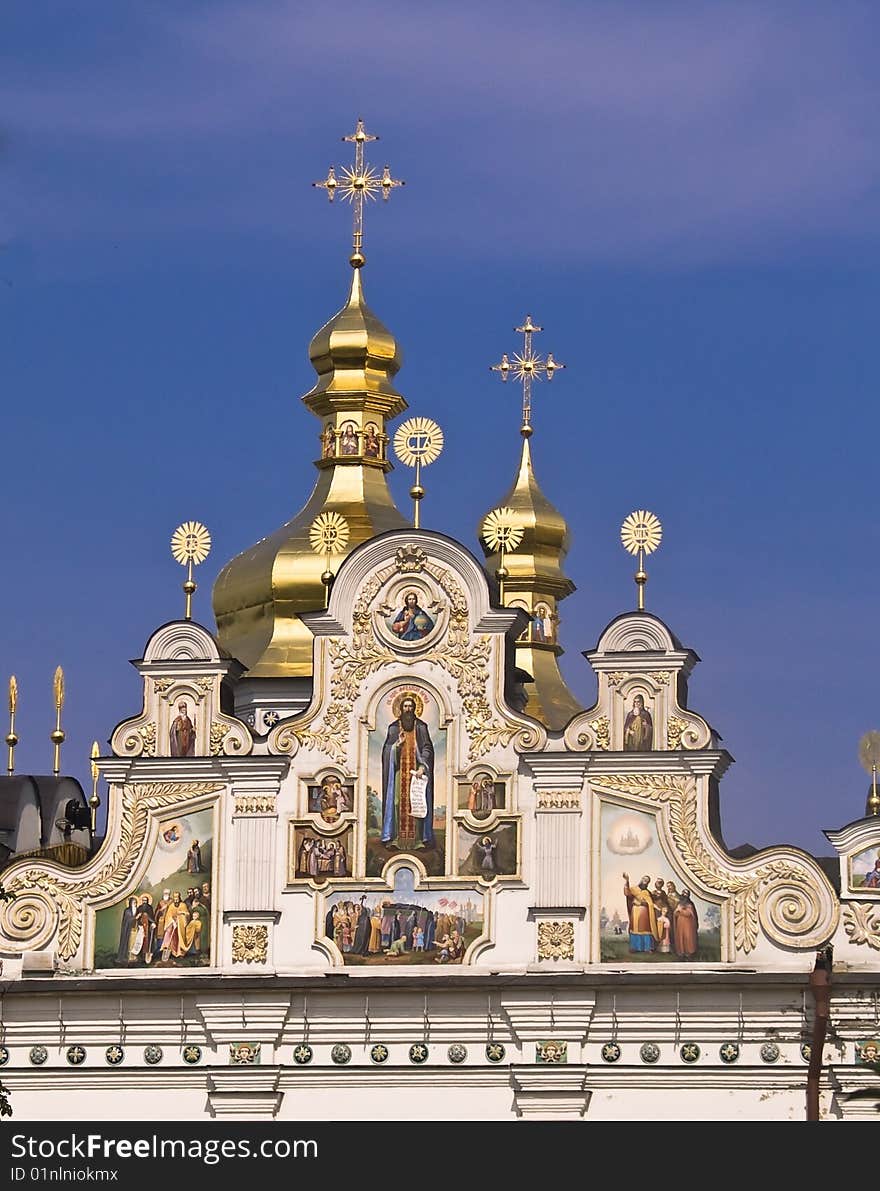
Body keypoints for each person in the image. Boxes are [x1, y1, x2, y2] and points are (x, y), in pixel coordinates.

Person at [381, 694, 435, 850]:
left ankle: (418, 840)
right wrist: (397, 744)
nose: (408, 709)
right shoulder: (393, 728)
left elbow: (427, 748)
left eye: (411, 706)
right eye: (405, 706)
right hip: (400, 773)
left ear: (415, 708)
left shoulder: (421, 727)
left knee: (416, 803)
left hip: (417, 774)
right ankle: (396, 838)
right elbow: (386, 751)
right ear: (400, 708)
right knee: (398, 802)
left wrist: (422, 767)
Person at [622, 873, 661, 953]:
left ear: (648, 883)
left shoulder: (647, 893)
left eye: (647, 881)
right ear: (641, 880)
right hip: (635, 912)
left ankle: (647, 948)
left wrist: (644, 903)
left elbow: (650, 903)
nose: (645, 881)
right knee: (635, 929)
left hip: (645, 914)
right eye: (644, 879)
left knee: (645, 929)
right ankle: (634, 948)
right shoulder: (634, 889)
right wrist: (627, 881)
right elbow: (627, 893)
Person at [673, 888, 699, 959]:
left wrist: (681, 911)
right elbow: (675, 913)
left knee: (688, 938)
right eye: (683, 893)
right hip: (680, 924)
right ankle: (681, 952)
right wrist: (676, 912)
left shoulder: (690, 904)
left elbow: (689, 914)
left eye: (686, 893)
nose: (684, 895)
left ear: (688, 895)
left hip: (688, 925)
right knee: (680, 937)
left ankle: (689, 952)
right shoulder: (679, 903)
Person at [116, 896, 139, 964]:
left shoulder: (137, 910)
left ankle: (133, 957)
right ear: (130, 903)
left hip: (135, 930)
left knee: (135, 943)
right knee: (128, 943)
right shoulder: (127, 911)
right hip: (128, 930)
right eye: (134, 902)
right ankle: (126, 957)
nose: (135, 904)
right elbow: (128, 920)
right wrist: (135, 918)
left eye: (136, 902)